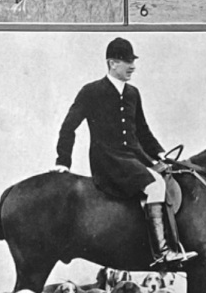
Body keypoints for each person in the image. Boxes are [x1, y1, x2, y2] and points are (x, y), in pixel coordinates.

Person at [53, 38, 196, 269]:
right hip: (108, 161)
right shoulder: (91, 91)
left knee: (169, 178)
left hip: (135, 159)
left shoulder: (133, 93)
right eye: (127, 62)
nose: (132, 66)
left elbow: (143, 131)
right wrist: (63, 161)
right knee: (155, 186)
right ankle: (162, 252)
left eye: (133, 61)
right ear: (112, 63)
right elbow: (68, 127)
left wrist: (160, 154)